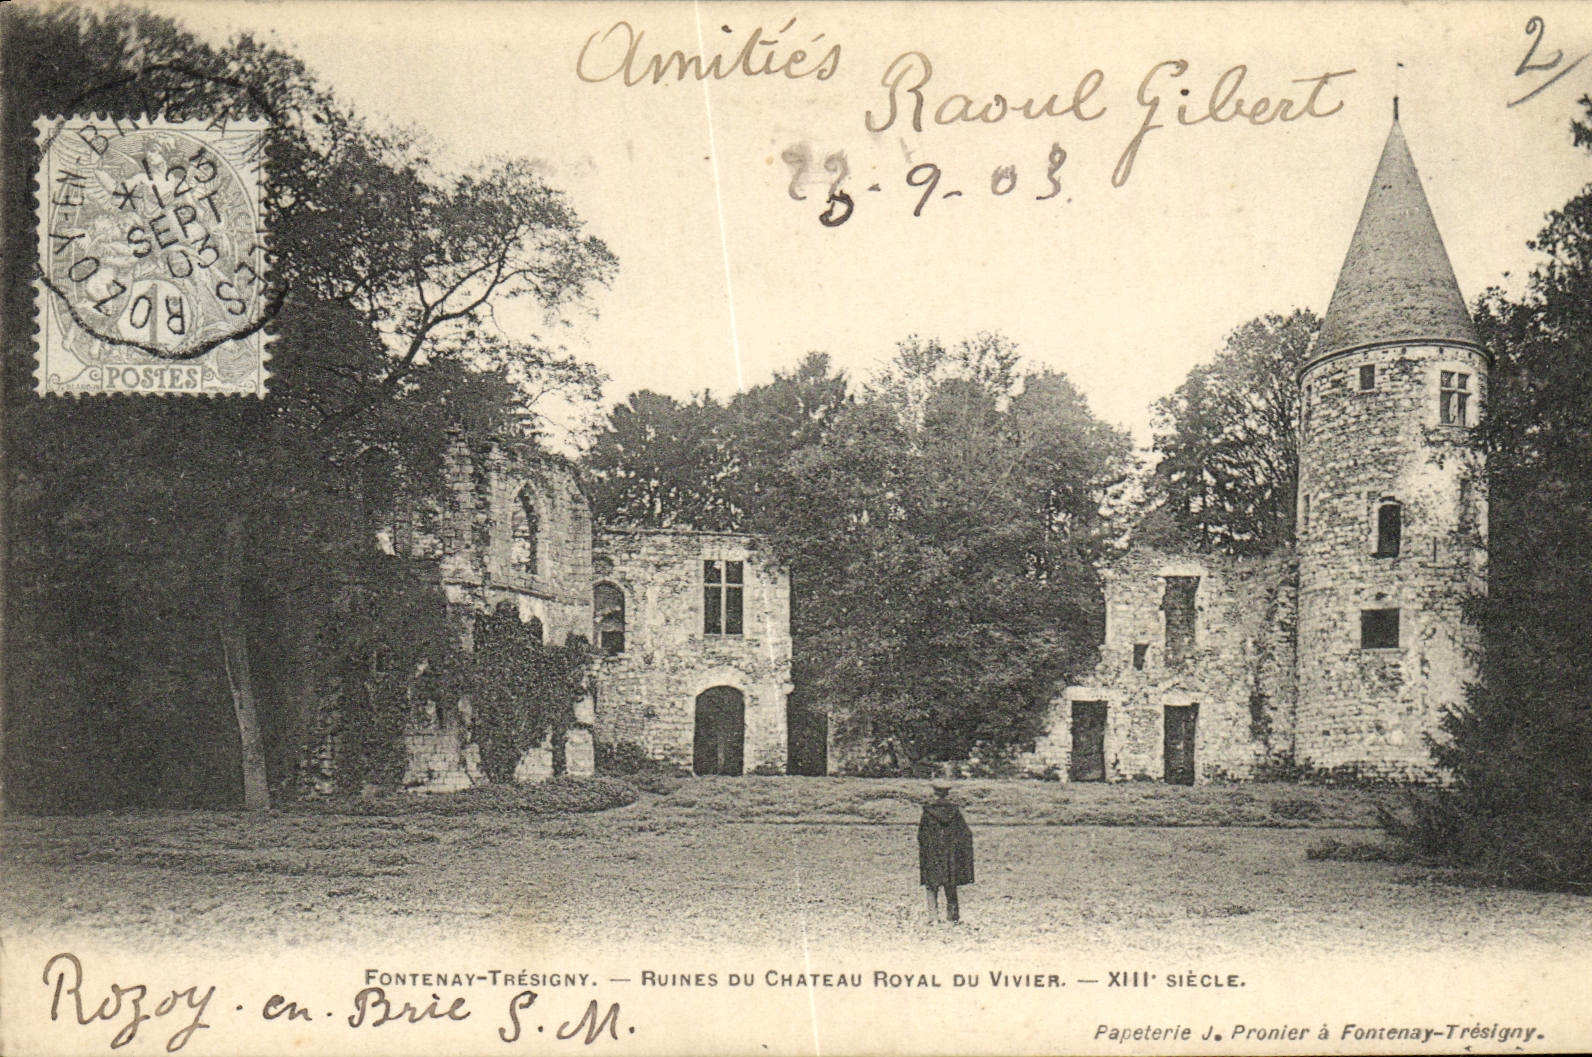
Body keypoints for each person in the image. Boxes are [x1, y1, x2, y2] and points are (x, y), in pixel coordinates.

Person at [918, 782, 975, 923]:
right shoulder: (955, 812)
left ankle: (933, 918)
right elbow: (965, 834)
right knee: (951, 884)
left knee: (932, 885)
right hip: (950, 854)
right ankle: (953, 917)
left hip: (933, 853)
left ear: (935, 793)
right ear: (947, 794)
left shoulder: (928, 812)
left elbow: (922, 835)